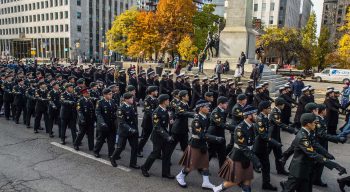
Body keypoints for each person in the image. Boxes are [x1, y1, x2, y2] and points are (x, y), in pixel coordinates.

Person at [280, 113, 347, 192]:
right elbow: (313, 154)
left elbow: (315, 144)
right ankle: (286, 185)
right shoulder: (302, 137)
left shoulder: (309, 132)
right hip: (298, 172)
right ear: (308, 124)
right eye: (314, 122)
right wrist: (335, 165)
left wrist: (326, 153)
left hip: (306, 170)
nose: (316, 124)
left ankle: (286, 185)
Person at [175, 100, 224, 189]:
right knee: (191, 165)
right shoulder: (196, 120)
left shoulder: (206, 117)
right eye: (206, 107)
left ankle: (206, 182)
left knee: (205, 164)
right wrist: (215, 138)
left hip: (202, 144)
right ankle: (180, 176)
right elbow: (201, 135)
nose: (209, 108)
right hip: (195, 144)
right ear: (201, 108)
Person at [213, 106, 262, 192]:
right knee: (235, 180)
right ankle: (217, 189)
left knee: (247, 180)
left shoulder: (252, 126)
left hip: (248, 156)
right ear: (249, 116)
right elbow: (243, 147)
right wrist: (256, 161)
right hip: (239, 157)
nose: (257, 116)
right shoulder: (240, 129)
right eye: (255, 114)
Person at [141, 94, 175, 179]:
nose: (169, 101)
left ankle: (166, 173)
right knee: (155, 154)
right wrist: (167, 136)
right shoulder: (156, 112)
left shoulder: (166, 109)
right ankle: (144, 168)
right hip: (158, 137)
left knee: (167, 154)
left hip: (165, 135)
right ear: (164, 101)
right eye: (167, 100)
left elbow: (168, 122)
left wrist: (171, 121)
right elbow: (157, 127)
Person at [255, 101, 281, 191]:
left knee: (266, 165)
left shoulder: (265, 117)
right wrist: (275, 143)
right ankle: (239, 178)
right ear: (264, 109)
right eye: (269, 108)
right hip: (257, 146)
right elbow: (263, 135)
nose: (270, 109)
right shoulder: (260, 119)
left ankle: (266, 184)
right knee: (248, 164)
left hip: (263, 146)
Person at [110, 92, 139, 169]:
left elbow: (134, 120)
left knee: (135, 147)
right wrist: (130, 129)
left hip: (132, 131)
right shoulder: (121, 109)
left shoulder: (131, 106)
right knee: (120, 147)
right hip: (124, 131)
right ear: (126, 99)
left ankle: (133, 163)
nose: (132, 99)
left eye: (132, 98)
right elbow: (122, 122)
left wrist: (136, 130)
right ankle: (113, 158)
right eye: (130, 98)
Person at [269, 98, 296, 176]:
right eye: (283, 104)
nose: (284, 105)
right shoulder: (275, 113)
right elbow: (279, 124)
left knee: (278, 154)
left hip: (276, 136)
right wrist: (292, 130)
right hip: (272, 137)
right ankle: (255, 164)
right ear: (280, 105)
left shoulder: (278, 111)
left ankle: (280, 169)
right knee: (265, 153)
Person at [207, 96, 235, 167]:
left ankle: (222, 169)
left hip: (220, 134)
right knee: (211, 152)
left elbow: (224, 122)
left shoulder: (222, 111)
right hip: (214, 134)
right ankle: (202, 167)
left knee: (222, 152)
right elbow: (221, 124)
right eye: (225, 103)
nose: (227, 105)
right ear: (220, 104)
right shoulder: (216, 112)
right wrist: (234, 127)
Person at [93, 88, 118, 158]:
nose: (111, 95)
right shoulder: (100, 102)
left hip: (112, 124)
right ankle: (96, 151)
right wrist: (102, 123)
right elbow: (98, 114)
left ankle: (111, 154)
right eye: (109, 94)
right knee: (101, 139)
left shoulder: (112, 101)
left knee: (111, 140)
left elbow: (116, 110)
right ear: (104, 95)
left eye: (111, 94)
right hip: (104, 125)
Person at [138, 86, 159, 157]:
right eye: (156, 91)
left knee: (156, 138)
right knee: (144, 138)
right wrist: (156, 117)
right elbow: (149, 111)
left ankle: (157, 153)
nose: (157, 92)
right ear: (152, 92)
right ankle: (138, 150)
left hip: (154, 122)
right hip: (148, 122)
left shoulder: (156, 99)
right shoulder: (147, 100)